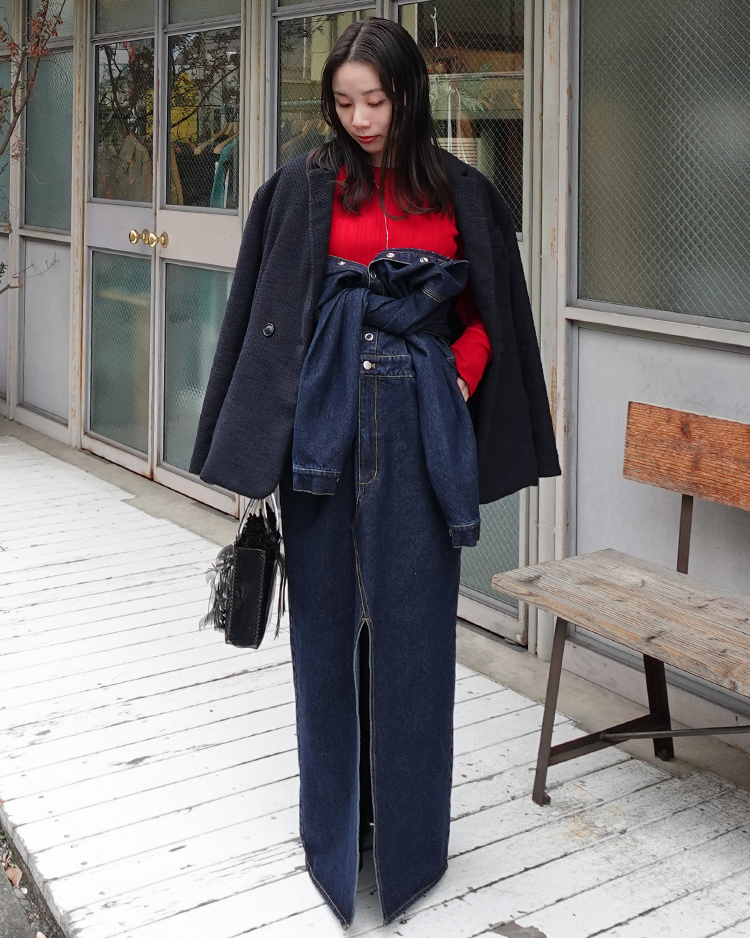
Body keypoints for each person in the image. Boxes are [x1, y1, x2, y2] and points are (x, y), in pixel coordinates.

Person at [190, 17, 560, 929]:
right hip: (321, 433)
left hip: (421, 431)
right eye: (344, 102)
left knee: (415, 640)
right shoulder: (299, 189)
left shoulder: (462, 192)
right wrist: (255, 445)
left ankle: (411, 847)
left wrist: (456, 373)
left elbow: (489, 317)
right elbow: (265, 316)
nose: (360, 120)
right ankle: (333, 836)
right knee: (323, 640)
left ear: (409, 95)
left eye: (376, 101)